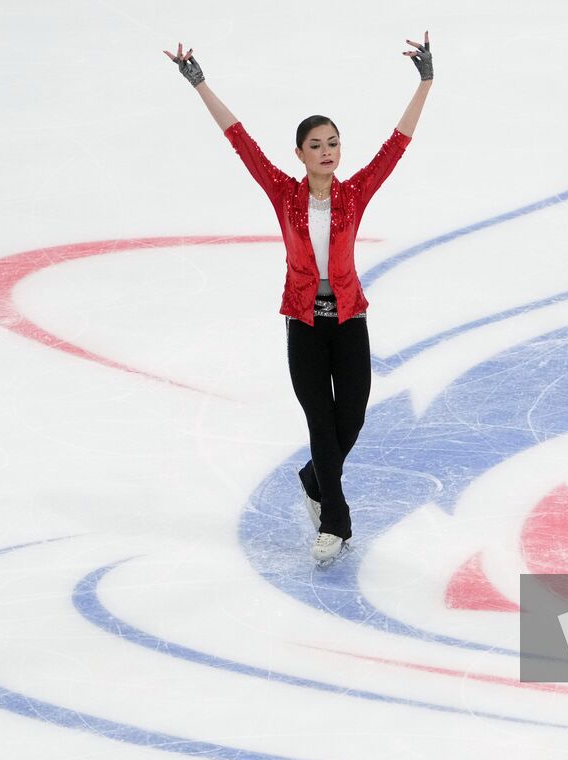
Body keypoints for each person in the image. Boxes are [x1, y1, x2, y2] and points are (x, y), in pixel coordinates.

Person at [165, 33, 433, 563]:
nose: (327, 152)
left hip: (350, 318)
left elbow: (396, 145)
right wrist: (200, 84)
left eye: (333, 143)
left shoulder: (355, 193)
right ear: (300, 153)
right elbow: (240, 140)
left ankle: (315, 478)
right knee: (319, 422)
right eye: (316, 145)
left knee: (349, 419)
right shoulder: (284, 193)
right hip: (304, 323)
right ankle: (334, 524)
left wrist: (426, 82)